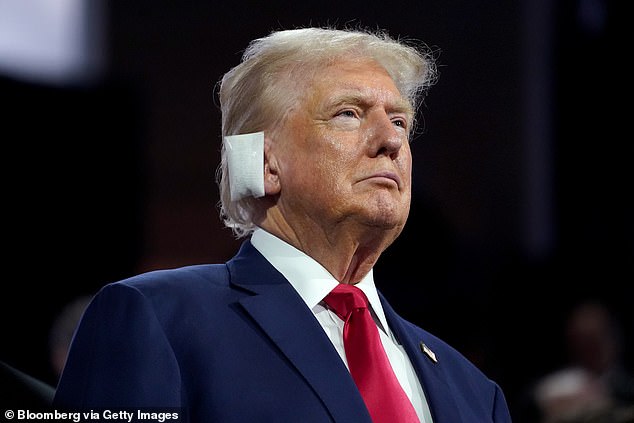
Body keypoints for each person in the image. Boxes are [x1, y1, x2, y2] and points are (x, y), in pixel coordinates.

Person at [53, 26, 512, 422]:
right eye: (348, 113)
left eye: (400, 121)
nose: (391, 140)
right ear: (266, 162)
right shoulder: (158, 320)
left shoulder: (473, 392)